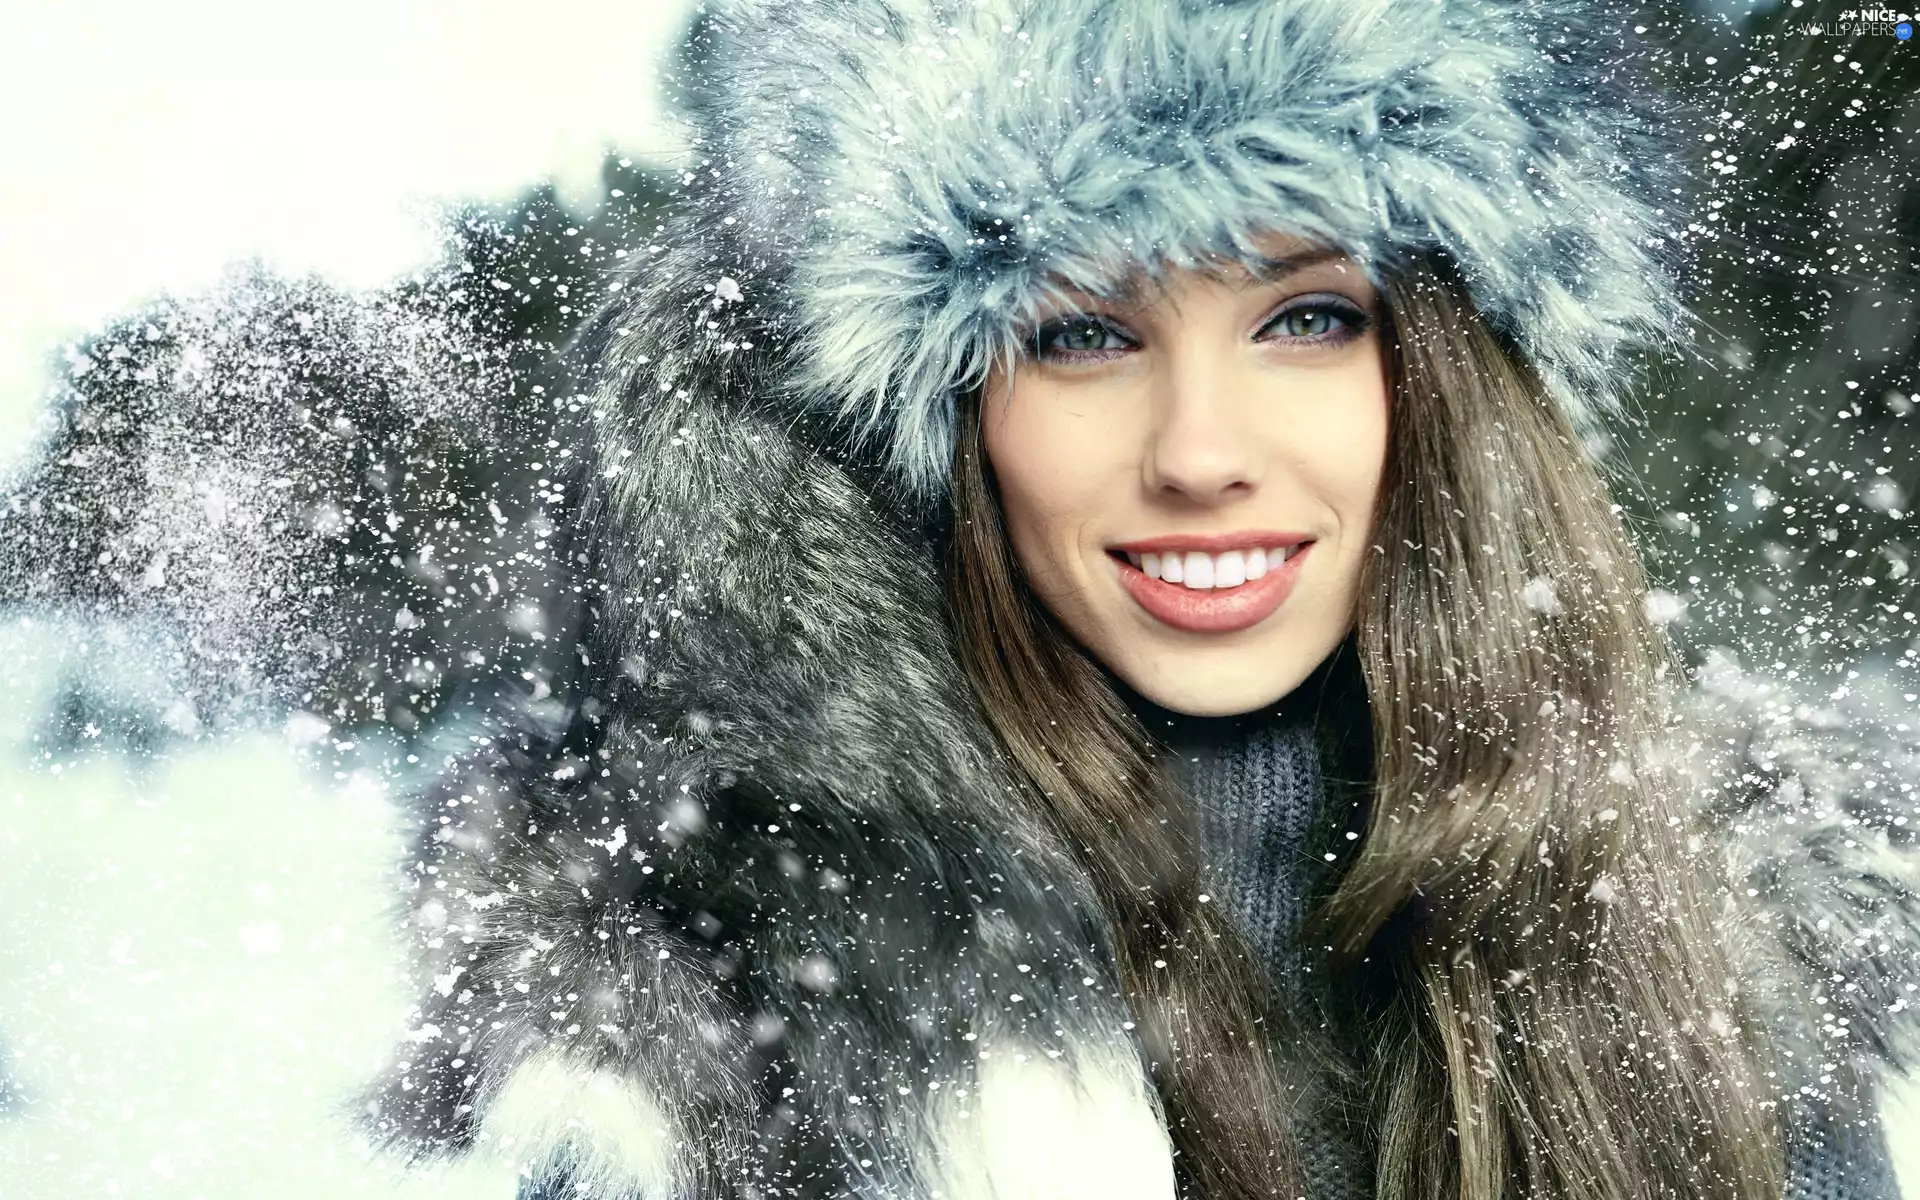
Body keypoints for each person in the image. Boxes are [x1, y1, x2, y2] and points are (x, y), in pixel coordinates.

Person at [4, 1, 1912, 1198]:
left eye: (1306, 316)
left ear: (1451, 378)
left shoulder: (1726, 937)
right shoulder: (704, 1020)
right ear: (937, 419)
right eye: (1081, 333)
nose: (1200, 447)